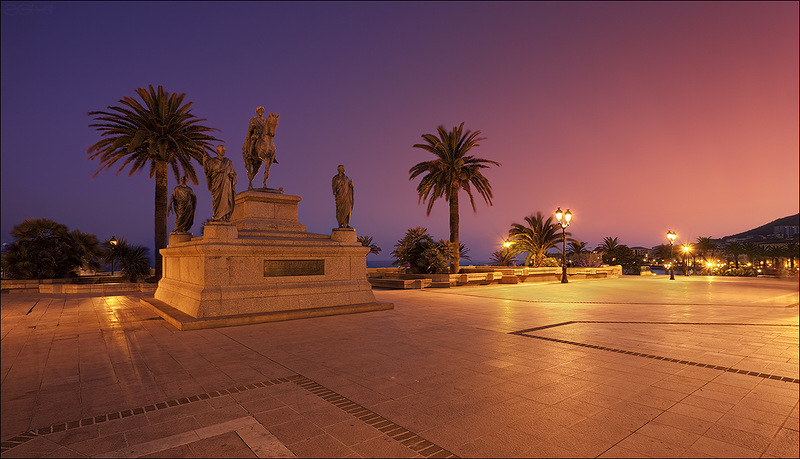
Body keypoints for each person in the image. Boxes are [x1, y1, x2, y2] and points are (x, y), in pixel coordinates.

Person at [242, 106, 279, 189]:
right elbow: (250, 128)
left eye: (262, 111)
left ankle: (274, 157)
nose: (261, 112)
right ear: (257, 112)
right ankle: (250, 153)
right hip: (256, 135)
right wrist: (253, 126)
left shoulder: (264, 121)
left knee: (272, 144)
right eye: (260, 111)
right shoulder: (253, 119)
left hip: (263, 135)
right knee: (253, 140)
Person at [203, 145, 237, 222]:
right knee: (217, 200)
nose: (224, 152)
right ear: (218, 151)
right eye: (222, 150)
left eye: (224, 150)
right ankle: (217, 216)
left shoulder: (228, 162)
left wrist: (232, 176)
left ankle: (225, 217)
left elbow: (234, 173)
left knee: (226, 200)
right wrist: (204, 163)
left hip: (226, 184)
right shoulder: (212, 161)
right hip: (217, 184)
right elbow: (208, 173)